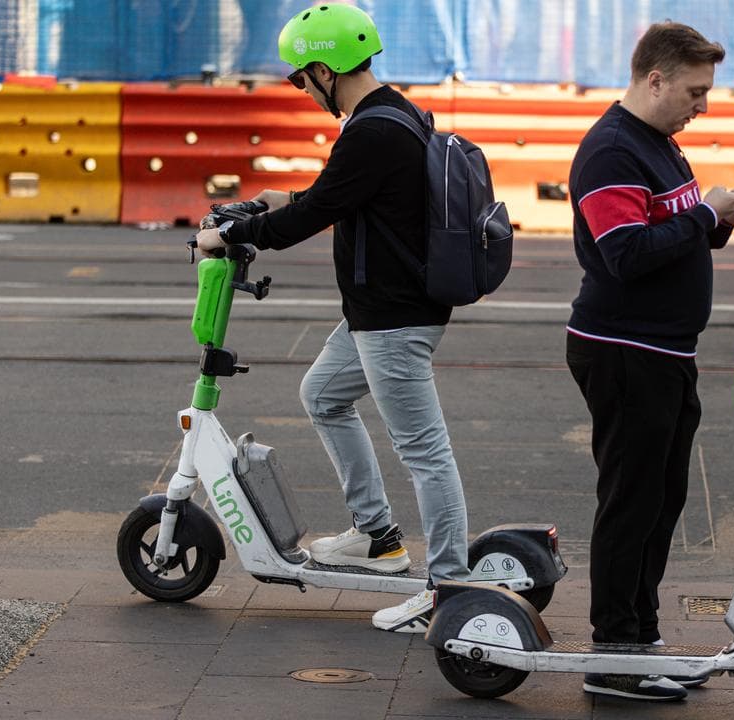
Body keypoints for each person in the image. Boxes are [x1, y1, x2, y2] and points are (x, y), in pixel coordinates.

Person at [196, 4, 466, 634]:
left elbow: (310, 218)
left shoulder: (372, 131)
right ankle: (376, 536)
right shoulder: (391, 114)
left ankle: (448, 589)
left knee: (425, 452)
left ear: (324, 68)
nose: (302, 89)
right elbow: (340, 197)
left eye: (300, 78)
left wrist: (232, 234)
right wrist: (276, 200)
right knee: (322, 394)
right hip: (379, 312)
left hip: (394, 319)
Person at [565, 22, 734, 701]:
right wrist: (705, 217)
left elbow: (673, 235)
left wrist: (721, 218)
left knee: (660, 500)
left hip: (665, 351)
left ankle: (641, 637)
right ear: (655, 80)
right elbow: (625, 254)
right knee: (631, 502)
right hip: (625, 350)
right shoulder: (611, 151)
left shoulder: (660, 144)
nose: (702, 106)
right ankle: (613, 656)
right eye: (694, 92)